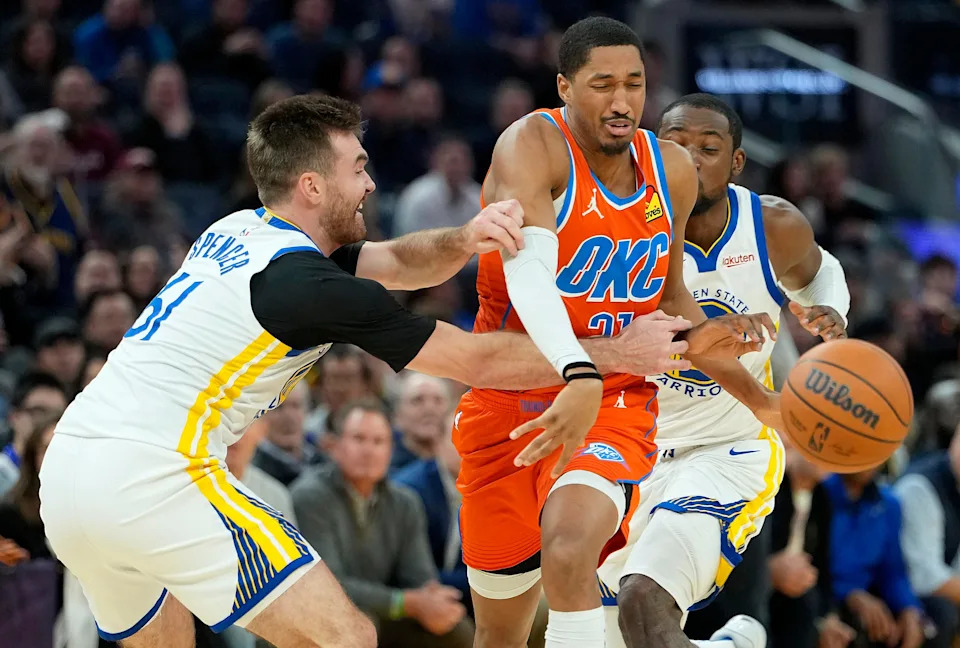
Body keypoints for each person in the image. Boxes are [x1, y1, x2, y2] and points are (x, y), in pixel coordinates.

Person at [37, 93, 716, 648]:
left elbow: (396, 261)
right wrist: (616, 352)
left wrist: (466, 238)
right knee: (346, 638)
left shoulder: (241, 229)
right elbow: (475, 360)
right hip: (157, 474)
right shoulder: (307, 286)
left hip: (69, 471)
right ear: (311, 185)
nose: (369, 183)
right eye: (357, 168)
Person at [454, 20, 782, 648]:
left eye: (634, 83)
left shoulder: (672, 170)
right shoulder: (531, 144)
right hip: (509, 403)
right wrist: (575, 370)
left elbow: (672, 300)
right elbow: (529, 274)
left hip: (615, 401)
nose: (622, 101)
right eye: (602, 84)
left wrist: (759, 397)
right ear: (564, 87)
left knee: (570, 550)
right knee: (498, 633)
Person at [597, 93, 851, 648]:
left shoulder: (772, 225)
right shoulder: (616, 227)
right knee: (618, 635)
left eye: (707, 149)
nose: (689, 159)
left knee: (644, 599)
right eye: (676, 145)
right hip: (630, 452)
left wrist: (830, 309)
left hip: (729, 450)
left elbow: (823, 270)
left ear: (736, 162)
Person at [292, 400, 473, 648]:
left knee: (457, 630)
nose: (369, 450)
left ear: (390, 450)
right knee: (358, 629)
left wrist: (434, 600)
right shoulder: (310, 497)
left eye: (378, 442)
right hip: (321, 616)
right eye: (359, 439)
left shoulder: (405, 502)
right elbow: (328, 586)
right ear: (336, 446)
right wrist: (405, 602)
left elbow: (420, 578)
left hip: (385, 613)